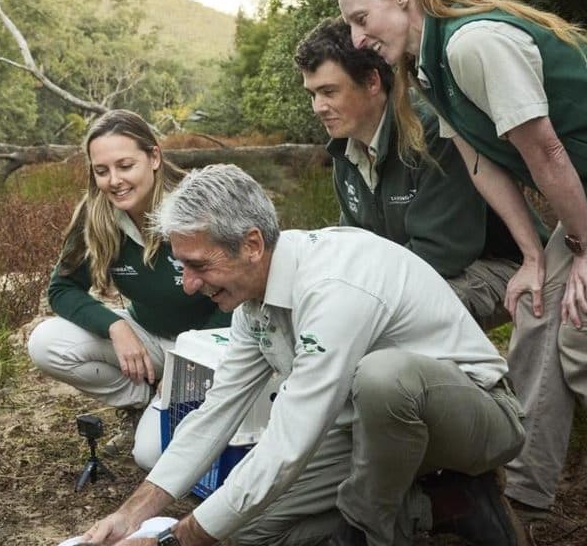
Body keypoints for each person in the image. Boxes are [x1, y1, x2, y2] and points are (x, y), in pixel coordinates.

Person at [78, 164, 526, 546]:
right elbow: (216, 413)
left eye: (199, 265)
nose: (190, 284)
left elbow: (290, 442)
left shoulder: (333, 286)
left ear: (252, 244)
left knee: (384, 377)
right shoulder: (252, 301)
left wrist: (181, 538)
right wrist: (132, 514)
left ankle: (372, 527)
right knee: (244, 531)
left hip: (474, 420)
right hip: (365, 431)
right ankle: (442, 504)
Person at [337, 0, 587, 519]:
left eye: (362, 19)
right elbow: (482, 163)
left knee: (577, 333)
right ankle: (523, 491)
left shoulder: (474, 44)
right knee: (542, 303)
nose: (357, 40)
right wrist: (531, 255)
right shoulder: (427, 68)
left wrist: (583, 249)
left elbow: (545, 151)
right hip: (579, 203)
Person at [294, 17, 540, 330]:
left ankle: (471, 378)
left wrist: (360, 296)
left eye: (328, 91)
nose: (318, 106)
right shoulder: (344, 152)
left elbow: (446, 252)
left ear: (372, 82)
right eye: (312, 94)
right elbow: (354, 246)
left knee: (392, 322)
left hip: (498, 264)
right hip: (413, 272)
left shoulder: (432, 133)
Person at [28, 109, 230, 462]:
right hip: (150, 336)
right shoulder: (98, 215)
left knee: (150, 457)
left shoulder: (199, 206)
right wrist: (116, 326)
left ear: (153, 157)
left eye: (125, 166)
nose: (114, 181)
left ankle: (176, 399)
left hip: (210, 347)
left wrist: (192, 361)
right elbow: (62, 289)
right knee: (45, 342)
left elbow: (245, 294)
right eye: (101, 170)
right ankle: (142, 400)